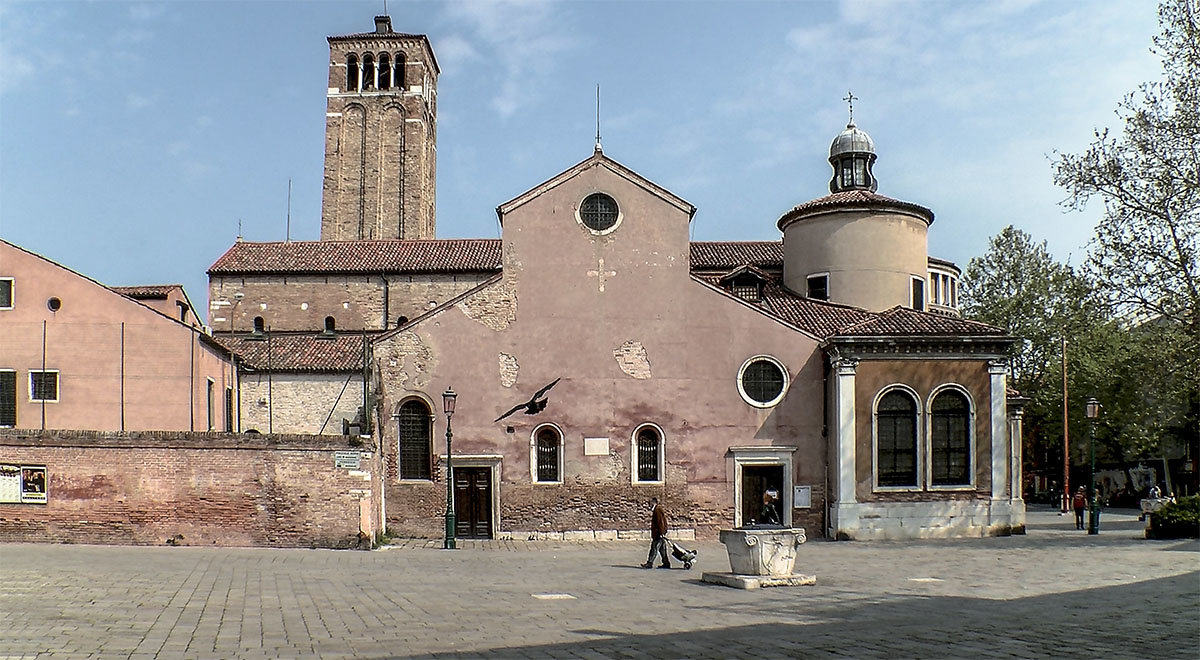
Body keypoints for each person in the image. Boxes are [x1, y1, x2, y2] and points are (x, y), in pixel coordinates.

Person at [641, 497, 670, 569]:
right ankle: (666, 563)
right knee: (662, 549)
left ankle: (649, 563)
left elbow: (660, 522)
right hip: (660, 533)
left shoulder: (657, 510)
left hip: (658, 533)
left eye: (650, 503)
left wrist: (661, 532)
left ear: (654, 502)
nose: (649, 505)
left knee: (654, 548)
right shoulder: (657, 510)